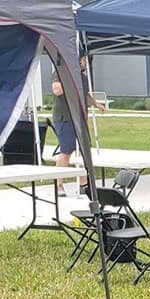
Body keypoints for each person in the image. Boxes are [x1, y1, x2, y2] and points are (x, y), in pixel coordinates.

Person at [51, 56, 105, 197]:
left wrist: (96, 104)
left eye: (86, 61)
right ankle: (59, 185)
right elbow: (57, 90)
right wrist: (71, 79)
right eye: (83, 60)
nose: (85, 63)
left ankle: (83, 185)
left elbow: (85, 95)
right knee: (66, 150)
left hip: (80, 119)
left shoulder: (83, 77)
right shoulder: (60, 71)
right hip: (65, 118)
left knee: (83, 151)